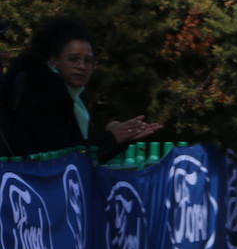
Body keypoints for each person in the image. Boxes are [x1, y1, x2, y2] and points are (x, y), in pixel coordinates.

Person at [0, 15, 162, 160]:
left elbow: (83, 161)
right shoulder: (40, 94)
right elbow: (57, 155)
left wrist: (121, 137)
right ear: (54, 61)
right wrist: (111, 137)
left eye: (88, 61)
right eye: (73, 59)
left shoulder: (78, 98)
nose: (81, 66)